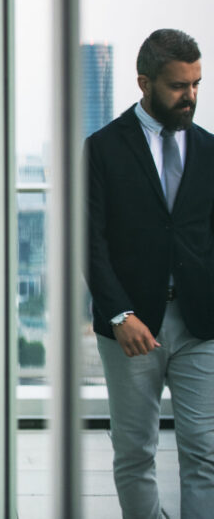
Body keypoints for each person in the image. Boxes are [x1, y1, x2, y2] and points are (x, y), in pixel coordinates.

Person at [86, 28, 214, 517]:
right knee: (136, 452)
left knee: (204, 453)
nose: (191, 97)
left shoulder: (208, 149)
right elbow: (88, 240)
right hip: (131, 326)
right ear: (145, 83)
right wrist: (119, 313)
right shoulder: (102, 148)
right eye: (179, 86)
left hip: (201, 324)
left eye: (197, 84)